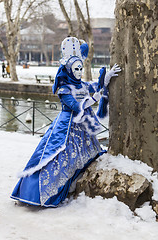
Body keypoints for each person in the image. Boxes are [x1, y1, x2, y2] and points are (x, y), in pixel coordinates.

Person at [10, 37, 121, 207]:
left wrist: (106, 79)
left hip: (82, 127)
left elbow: (93, 87)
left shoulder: (80, 84)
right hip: (66, 127)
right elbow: (75, 107)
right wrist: (94, 99)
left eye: (80, 68)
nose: (78, 72)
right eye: (75, 69)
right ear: (68, 69)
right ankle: (39, 193)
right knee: (56, 157)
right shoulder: (64, 88)